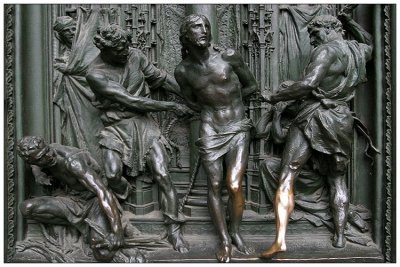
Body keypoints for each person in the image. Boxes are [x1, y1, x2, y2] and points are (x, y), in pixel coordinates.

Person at [259, 13, 373, 258]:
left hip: (313, 115)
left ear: (330, 28)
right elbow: (371, 43)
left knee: (287, 174)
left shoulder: (325, 51)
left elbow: (309, 84)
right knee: (337, 180)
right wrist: (351, 21)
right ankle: (340, 236)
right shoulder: (358, 51)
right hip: (340, 119)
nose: (312, 39)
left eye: (314, 32)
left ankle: (280, 239)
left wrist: (275, 97)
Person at [85, 24, 192, 253]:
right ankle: (120, 206)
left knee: (163, 173)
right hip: (116, 126)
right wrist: (171, 106)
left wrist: (190, 98)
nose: (125, 52)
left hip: (144, 124)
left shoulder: (134, 55)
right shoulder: (95, 73)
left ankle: (174, 229)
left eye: (126, 47)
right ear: (106, 50)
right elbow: (130, 101)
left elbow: (161, 79)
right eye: (119, 50)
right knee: (112, 174)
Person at [174, 14, 258, 262]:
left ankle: (236, 233)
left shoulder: (228, 56)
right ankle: (224, 240)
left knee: (233, 184)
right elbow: (190, 100)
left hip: (237, 125)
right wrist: (212, 107)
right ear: (186, 36)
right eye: (197, 27)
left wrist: (232, 102)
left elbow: (252, 86)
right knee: (214, 185)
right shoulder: (183, 71)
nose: (203, 31)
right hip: (210, 127)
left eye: (206, 26)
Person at [17, 136, 124, 262]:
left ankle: (89, 224)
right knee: (26, 208)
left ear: (47, 146)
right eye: (41, 158)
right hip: (71, 199)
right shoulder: (37, 160)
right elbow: (34, 164)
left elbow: (103, 193)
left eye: (47, 151)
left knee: (104, 254)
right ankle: (83, 223)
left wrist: (118, 231)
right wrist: (38, 174)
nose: (48, 156)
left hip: (95, 202)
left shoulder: (73, 161)